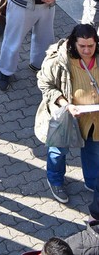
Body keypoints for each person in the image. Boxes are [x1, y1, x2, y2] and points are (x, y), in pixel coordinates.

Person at [37, 23, 99, 209]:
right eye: (82, 46)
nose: (87, 50)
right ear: (74, 43)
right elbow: (45, 84)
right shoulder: (59, 61)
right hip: (66, 116)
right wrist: (66, 105)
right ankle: (55, 181)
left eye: (91, 45)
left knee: (93, 152)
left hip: (93, 120)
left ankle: (92, 181)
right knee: (58, 152)